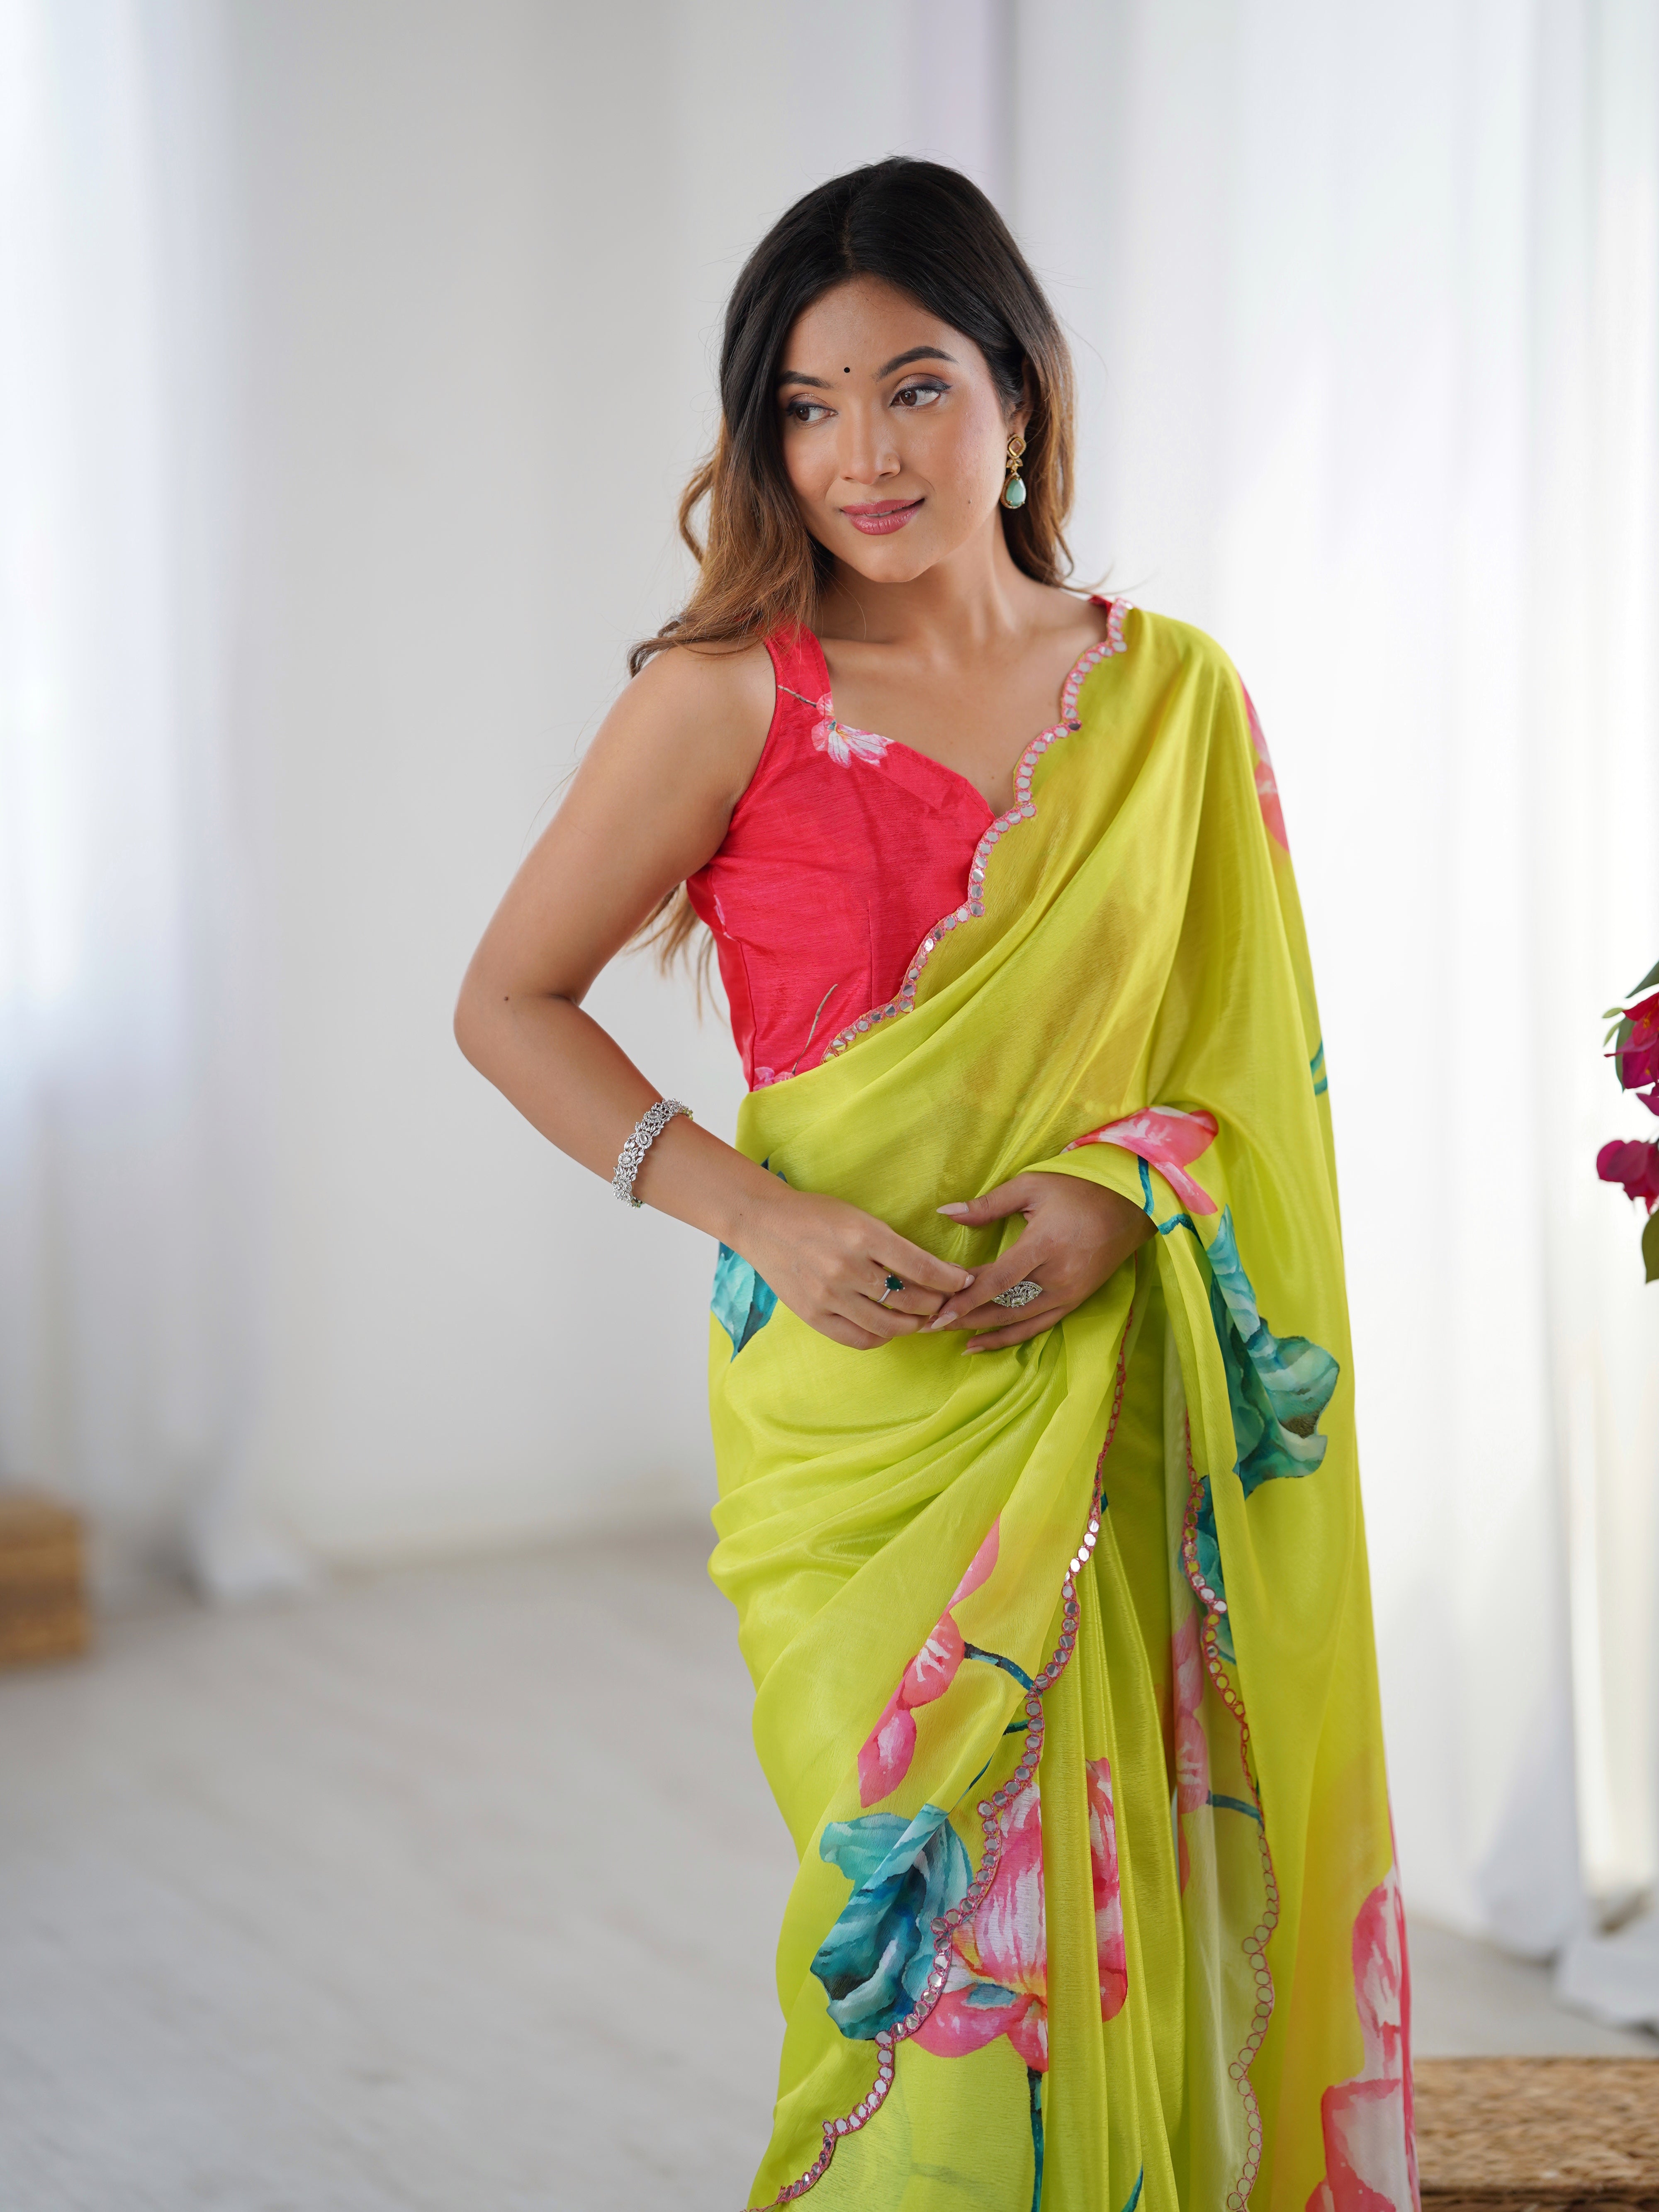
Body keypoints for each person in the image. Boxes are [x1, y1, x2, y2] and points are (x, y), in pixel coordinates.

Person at [455, 159, 1413, 2212]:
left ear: (1020, 400)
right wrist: (756, 1213)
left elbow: (1248, 1075)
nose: (862, 453)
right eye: (806, 405)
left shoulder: (1171, 698)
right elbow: (510, 999)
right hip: (856, 1423)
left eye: (911, 387)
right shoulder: (724, 696)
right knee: (937, 1981)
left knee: (1120, 1941)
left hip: (1108, 1390)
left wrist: (1118, 1187)